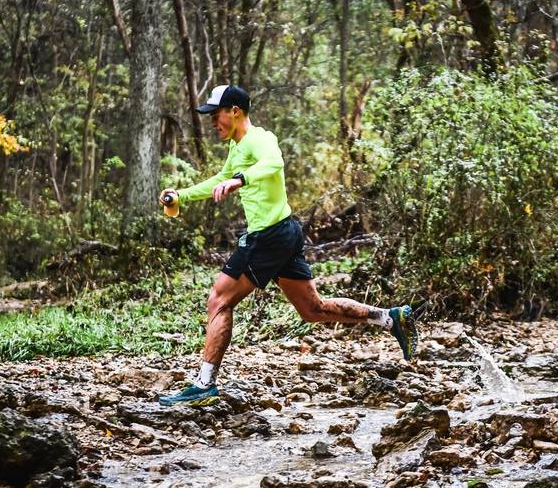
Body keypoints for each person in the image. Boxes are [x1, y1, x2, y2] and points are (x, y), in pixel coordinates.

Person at [158, 84, 419, 406]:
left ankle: (204, 386)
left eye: (217, 115)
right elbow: (219, 180)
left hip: (268, 236)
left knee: (219, 300)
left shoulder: (260, 138)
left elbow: (274, 163)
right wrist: (182, 195)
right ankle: (390, 317)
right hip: (284, 232)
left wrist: (239, 180)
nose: (214, 123)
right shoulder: (237, 147)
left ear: (235, 111)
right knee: (312, 309)